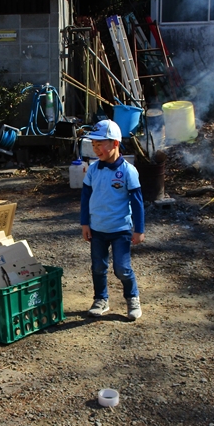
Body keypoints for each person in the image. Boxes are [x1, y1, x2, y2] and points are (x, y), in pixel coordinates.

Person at [80, 119, 145, 320]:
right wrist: (85, 223)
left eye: (100, 144)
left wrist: (139, 229)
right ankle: (101, 299)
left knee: (122, 268)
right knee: (98, 267)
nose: (96, 149)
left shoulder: (128, 171)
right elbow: (85, 197)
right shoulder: (92, 170)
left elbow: (137, 202)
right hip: (98, 229)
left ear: (115, 143)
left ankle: (132, 298)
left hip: (120, 230)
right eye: (93, 145)